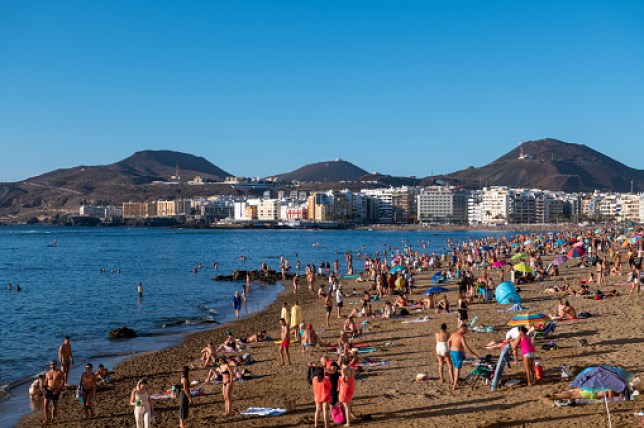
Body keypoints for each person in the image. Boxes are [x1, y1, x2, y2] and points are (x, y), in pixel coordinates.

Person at [447, 325, 478, 390]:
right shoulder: (461, 337)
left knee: (455, 367)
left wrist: (450, 348)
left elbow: (448, 342)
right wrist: (473, 354)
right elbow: (466, 347)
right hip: (457, 353)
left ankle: (455, 382)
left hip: (452, 352)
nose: (465, 332)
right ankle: (455, 385)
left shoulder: (453, 334)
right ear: (462, 329)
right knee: (457, 369)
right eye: (465, 330)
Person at [43, 360, 65, 424]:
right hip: (48, 390)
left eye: (54, 364)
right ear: (50, 365)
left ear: (56, 365)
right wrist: (44, 387)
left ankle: (53, 418)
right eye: (52, 364)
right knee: (45, 406)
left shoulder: (59, 372)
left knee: (54, 405)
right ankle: (46, 419)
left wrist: (58, 389)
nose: (53, 365)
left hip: (56, 390)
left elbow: (62, 381)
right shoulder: (47, 373)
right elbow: (45, 382)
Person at [339, 358, 356, 427]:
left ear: (343, 363)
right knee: (348, 404)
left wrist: (345, 382)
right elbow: (352, 376)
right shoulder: (351, 369)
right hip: (351, 386)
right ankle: (349, 418)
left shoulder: (344, 370)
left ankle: (348, 422)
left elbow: (343, 378)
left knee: (346, 406)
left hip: (345, 387)